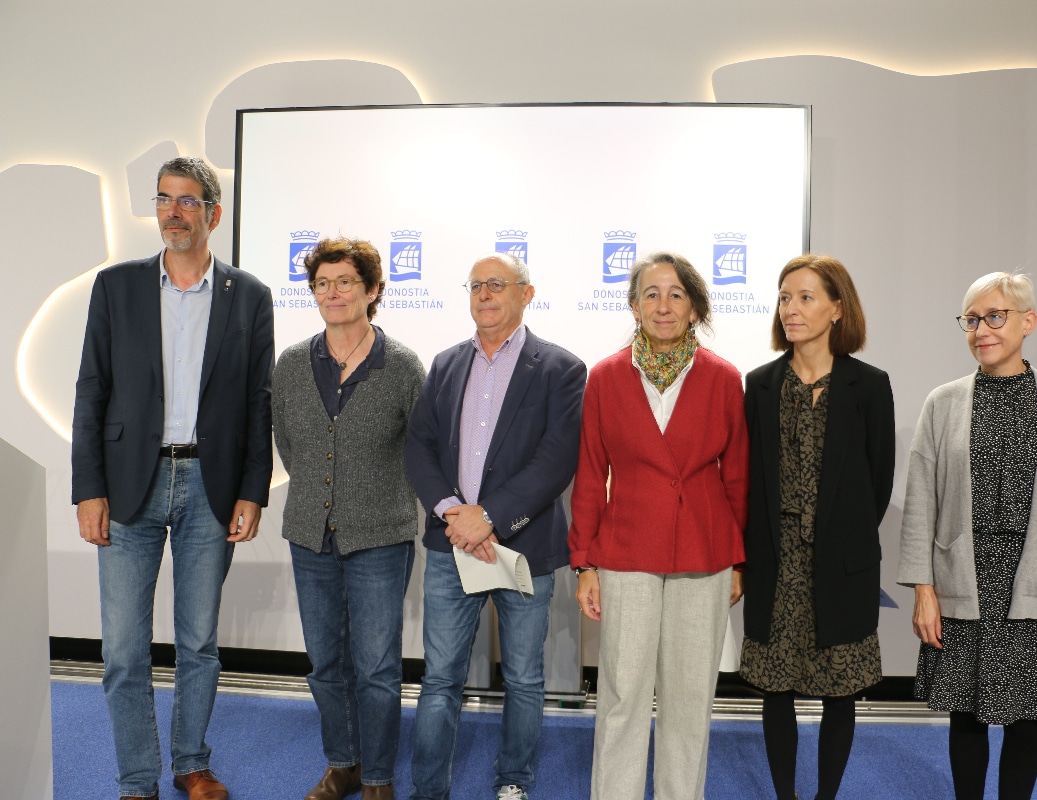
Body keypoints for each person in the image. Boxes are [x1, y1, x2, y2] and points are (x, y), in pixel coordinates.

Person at [71, 157, 274, 800]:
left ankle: (191, 763)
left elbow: (259, 402)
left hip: (211, 487)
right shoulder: (116, 286)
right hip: (128, 484)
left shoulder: (250, 295)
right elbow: (91, 390)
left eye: (187, 201)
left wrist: (252, 490)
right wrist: (88, 489)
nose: (173, 212)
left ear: (214, 213)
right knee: (123, 650)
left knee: (198, 643)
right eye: (164, 199)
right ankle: (137, 779)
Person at [897, 272, 1037, 800]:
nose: (981, 330)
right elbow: (921, 506)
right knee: (966, 716)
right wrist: (924, 590)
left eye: (995, 316)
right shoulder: (943, 402)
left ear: (1028, 322)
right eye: (972, 320)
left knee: (1027, 720)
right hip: (964, 580)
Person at [404, 252, 586, 800]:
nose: (484, 294)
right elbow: (420, 446)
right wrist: (451, 512)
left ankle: (514, 781)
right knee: (440, 678)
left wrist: (489, 518)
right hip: (451, 545)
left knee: (524, 678)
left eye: (496, 284)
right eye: (475, 285)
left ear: (525, 294)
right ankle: (429, 790)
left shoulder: (561, 369)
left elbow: (556, 460)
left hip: (523, 545)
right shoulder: (445, 364)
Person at [570, 251, 749, 800]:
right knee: (622, 696)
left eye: (676, 294)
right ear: (634, 305)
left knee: (689, 701)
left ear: (694, 307)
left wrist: (738, 561)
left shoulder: (723, 378)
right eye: (651, 294)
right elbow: (589, 474)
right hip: (625, 553)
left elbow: (737, 476)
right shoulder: (605, 377)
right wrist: (584, 564)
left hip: (704, 554)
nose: (663, 305)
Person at [273, 238, 426, 800]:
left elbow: (422, 450)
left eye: (344, 282)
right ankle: (343, 764)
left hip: (381, 537)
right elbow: (288, 443)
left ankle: (378, 775)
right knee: (325, 662)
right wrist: (324, 494)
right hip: (309, 535)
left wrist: (363, 497)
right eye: (322, 283)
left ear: (372, 290)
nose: (332, 293)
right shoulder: (292, 363)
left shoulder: (402, 365)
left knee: (377, 668)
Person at [740, 254, 895, 800]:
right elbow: (748, 480)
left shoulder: (868, 386)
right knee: (775, 687)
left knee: (840, 690)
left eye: (806, 297)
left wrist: (843, 537)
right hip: (775, 560)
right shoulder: (760, 385)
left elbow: (878, 482)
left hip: (841, 560)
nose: (791, 309)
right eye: (785, 298)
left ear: (837, 308)